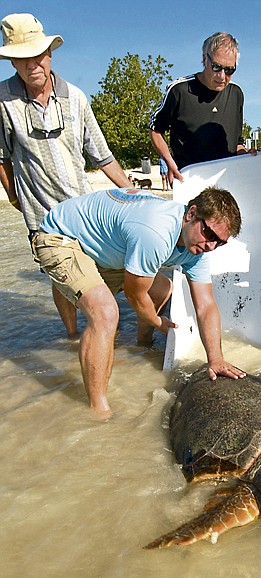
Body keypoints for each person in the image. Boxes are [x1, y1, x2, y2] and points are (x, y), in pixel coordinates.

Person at [31, 186, 247, 417]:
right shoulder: (156, 232)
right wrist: (158, 322)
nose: (211, 246)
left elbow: (206, 305)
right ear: (191, 214)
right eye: (210, 235)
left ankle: (142, 346)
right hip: (60, 236)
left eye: (220, 243)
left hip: (105, 244)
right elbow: (134, 295)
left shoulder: (198, 249)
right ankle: (98, 412)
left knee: (163, 288)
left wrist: (215, 359)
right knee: (105, 313)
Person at [0, 13, 130, 338]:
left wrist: (135, 195)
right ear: (12, 62)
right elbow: (1, 159)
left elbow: (103, 156)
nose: (32, 65)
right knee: (65, 279)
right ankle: (72, 338)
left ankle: (115, 339)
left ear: (50, 53)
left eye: (37, 55)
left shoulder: (77, 97)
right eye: (21, 58)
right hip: (45, 222)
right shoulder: (2, 102)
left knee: (119, 280)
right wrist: (16, 198)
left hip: (87, 213)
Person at [149, 32, 246, 186]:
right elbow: (155, 129)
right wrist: (169, 161)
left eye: (229, 70)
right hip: (188, 179)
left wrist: (246, 156)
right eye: (216, 67)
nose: (222, 76)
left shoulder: (236, 94)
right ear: (204, 58)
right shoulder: (179, 90)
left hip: (228, 180)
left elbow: (237, 142)